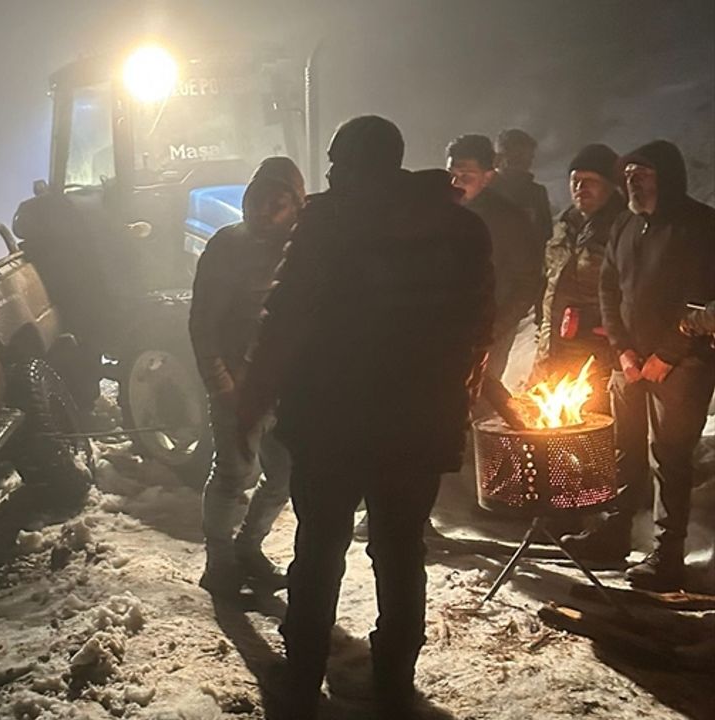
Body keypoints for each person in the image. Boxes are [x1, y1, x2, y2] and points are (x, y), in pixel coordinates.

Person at [239, 116, 494, 717]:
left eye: (337, 161)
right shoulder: (460, 226)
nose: (329, 173)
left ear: (360, 163)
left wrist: (252, 399)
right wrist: (455, 395)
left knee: (319, 546)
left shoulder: (327, 222)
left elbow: (285, 319)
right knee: (401, 550)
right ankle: (394, 678)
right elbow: (478, 326)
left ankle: (301, 674)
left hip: (331, 418)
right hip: (417, 421)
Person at [562, 140, 715, 592]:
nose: (633, 181)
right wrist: (624, 351)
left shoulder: (700, 225)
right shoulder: (626, 223)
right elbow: (609, 289)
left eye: (643, 174)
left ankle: (667, 555)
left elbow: (705, 298)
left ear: (666, 176)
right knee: (624, 448)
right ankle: (613, 534)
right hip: (629, 363)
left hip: (683, 364)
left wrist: (669, 353)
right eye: (628, 174)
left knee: (670, 457)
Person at [190, 157, 303, 597]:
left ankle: (248, 548)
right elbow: (203, 324)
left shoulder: (305, 248)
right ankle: (219, 563)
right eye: (258, 201)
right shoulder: (227, 246)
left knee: (285, 475)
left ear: (296, 205)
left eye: (278, 203)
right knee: (232, 475)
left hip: (286, 386)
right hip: (238, 383)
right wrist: (222, 384)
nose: (265, 212)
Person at [530, 144, 627, 414]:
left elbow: (636, 287)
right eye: (575, 181)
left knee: (593, 420)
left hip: (597, 347)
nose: (581, 188)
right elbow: (549, 280)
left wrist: (616, 330)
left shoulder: (625, 227)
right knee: (550, 420)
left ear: (611, 186)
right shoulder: (564, 224)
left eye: (591, 181)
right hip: (555, 342)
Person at [448, 134, 542, 384]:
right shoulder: (441, 211)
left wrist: (494, 329)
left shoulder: (508, 220)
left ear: (488, 177)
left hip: (488, 333)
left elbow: (527, 281)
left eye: (466, 177)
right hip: (445, 329)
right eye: (451, 175)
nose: (456, 183)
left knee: (479, 394)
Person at [493, 129, 554, 249]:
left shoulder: (537, 193)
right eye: (517, 157)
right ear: (499, 158)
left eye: (527, 157)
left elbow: (546, 234)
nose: (525, 163)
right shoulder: (484, 191)